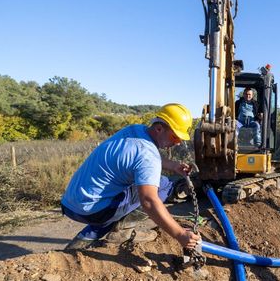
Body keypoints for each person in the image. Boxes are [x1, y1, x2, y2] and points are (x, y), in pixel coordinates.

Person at [61, 103, 201, 251]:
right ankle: (122, 232)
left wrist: (172, 165)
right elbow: (148, 202)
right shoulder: (148, 156)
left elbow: (138, 158)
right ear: (159, 128)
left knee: (139, 187)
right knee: (162, 186)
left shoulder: (135, 129)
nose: (177, 142)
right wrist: (180, 234)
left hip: (71, 203)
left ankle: (84, 239)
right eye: (175, 136)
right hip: (92, 211)